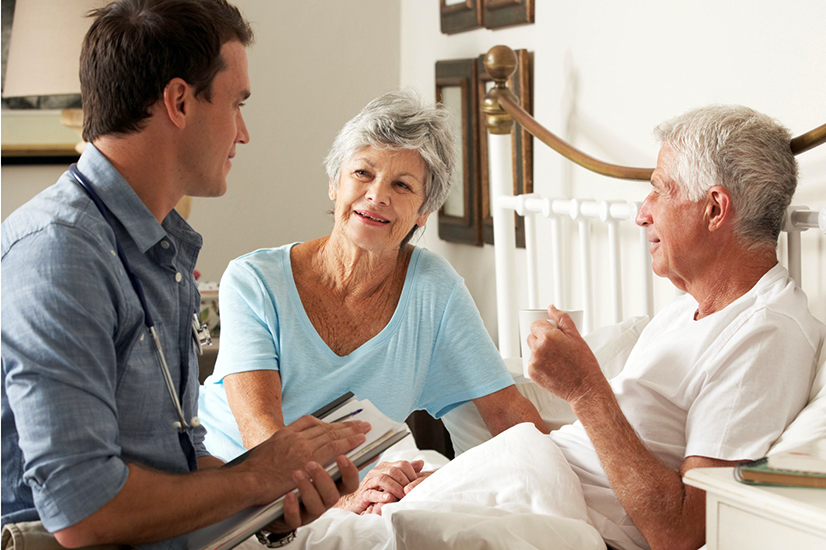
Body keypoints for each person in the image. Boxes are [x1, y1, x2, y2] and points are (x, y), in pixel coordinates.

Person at [1, 1, 369, 549]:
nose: (242, 134)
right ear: (179, 101)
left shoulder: (161, 251)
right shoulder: (60, 253)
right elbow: (85, 511)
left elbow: (175, 457)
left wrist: (272, 500)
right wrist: (255, 478)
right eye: (237, 104)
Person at [196, 90, 547, 509]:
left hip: (356, 491)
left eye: (402, 185)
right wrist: (344, 500)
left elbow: (508, 415)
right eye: (363, 173)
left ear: (423, 212)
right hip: (237, 487)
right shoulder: (254, 280)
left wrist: (568, 482)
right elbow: (263, 441)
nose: (377, 195)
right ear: (334, 183)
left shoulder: (435, 289)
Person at [526, 105, 825, 550]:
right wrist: (451, 478)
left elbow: (682, 532)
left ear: (715, 208)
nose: (641, 214)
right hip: (522, 490)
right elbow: (585, 453)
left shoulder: (765, 334)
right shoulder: (679, 312)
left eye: (659, 191)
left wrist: (586, 389)